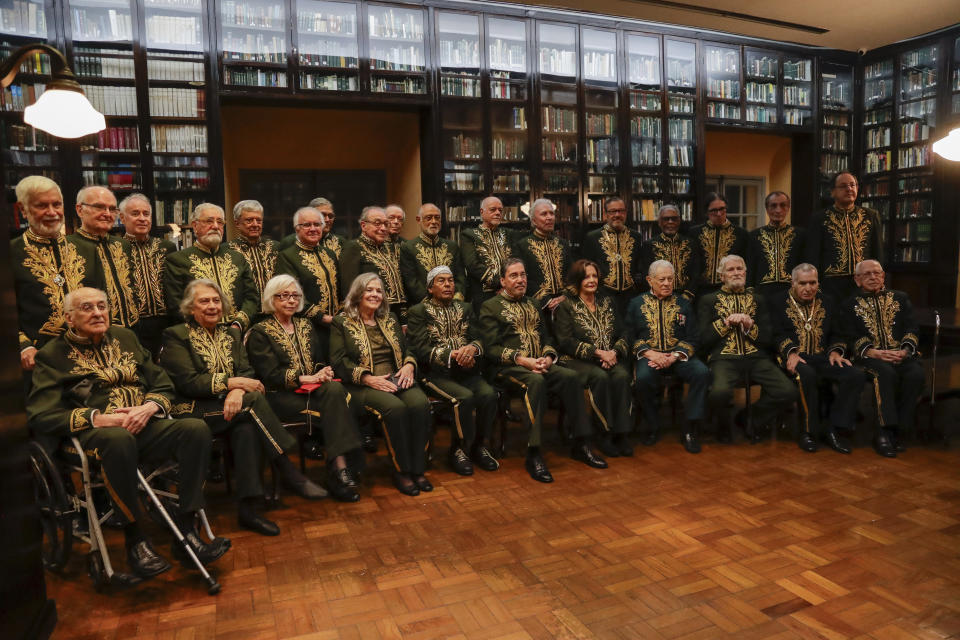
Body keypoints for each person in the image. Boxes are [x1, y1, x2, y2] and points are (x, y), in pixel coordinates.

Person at [27, 287, 229, 578]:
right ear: (69, 318)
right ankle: (135, 538)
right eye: (87, 308)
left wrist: (148, 407)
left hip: (144, 425)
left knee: (195, 428)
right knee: (118, 439)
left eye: (102, 306)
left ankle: (187, 530)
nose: (98, 313)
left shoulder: (126, 337)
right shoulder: (52, 355)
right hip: (93, 438)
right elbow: (41, 415)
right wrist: (99, 418)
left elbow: (162, 384)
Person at [160, 279, 327, 537]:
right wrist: (231, 383)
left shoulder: (230, 334)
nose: (212, 306)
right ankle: (288, 470)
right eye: (204, 301)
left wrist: (237, 389)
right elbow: (188, 382)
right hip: (193, 410)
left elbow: (246, 371)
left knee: (248, 428)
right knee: (254, 402)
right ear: (191, 307)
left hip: (235, 406)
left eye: (216, 301)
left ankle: (248, 511)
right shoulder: (176, 335)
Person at [479, 258, 606, 483]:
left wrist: (548, 357)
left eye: (523, 275)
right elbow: (490, 348)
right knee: (535, 382)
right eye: (514, 276)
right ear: (503, 281)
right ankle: (534, 453)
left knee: (571, 377)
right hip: (506, 369)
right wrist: (523, 360)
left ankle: (582, 443)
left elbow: (547, 337)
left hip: (538, 363)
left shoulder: (533, 303)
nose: (520, 280)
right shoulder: (490, 306)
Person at [246, 275, 363, 502]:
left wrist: (324, 372)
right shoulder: (260, 332)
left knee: (336, 392)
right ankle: (341, 471)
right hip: (280, 397)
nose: (290, 300)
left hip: (314, 392)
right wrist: (306, 378)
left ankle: (339, 469)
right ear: (272, 299)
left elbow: (318, 361)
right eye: (284, 296)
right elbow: (270, 375)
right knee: (338, 407)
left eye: (295, 296)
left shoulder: (305, 324)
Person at [329, 273, 432, 496]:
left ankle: (418, 468)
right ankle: (401, 471)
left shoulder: (390, 319)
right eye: (369, 290)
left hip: (397, 377)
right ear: (357, 293)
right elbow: (338, 361)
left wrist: (409, 365)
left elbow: (409, 349)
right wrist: (367, 378)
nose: (375, 294)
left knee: (420, 404)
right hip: (362, 385)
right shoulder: (342, 322)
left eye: (378, 290)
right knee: (395, 409)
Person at [406, 266, 499, 475]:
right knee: (464, 398)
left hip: (467, 371)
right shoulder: (418, 312)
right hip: (434, 375)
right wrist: (454, 355)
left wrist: (472, 349)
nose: (448, 285)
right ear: (430, 288)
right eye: (441, 281)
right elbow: (420, 349)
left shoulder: (465, 308)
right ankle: (458, 449)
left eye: (450, 280)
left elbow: (478, 337)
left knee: (488, 395)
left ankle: (479, 446)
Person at [697, 254, 796, 442]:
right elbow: (703, 339)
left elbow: (767, 338)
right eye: (730, 270)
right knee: (718, 393)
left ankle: (750, 418)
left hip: (756, 358)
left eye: (739, 269)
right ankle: (723, 426)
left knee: (787, 391)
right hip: (723, 358)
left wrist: (751, 327)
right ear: (721, 276)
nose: (736, 273)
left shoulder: (758, 299)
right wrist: (725, 324)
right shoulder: (708, 300)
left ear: (745, 272)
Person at [771, 263, 865, 454]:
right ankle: (808, 432)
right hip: (793, 357)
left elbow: (838, 332)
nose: (808, 288)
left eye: (813, 283)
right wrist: (790, 352)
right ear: (793, 282)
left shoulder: (828, 301)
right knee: (806, 375)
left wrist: (836, 351)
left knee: (855, 375)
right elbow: (775, 333)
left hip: (822, 356)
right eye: (803, 283)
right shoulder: (777, 301)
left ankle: (833, 428)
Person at [625, 260, 711, 453]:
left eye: (670, 279)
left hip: (678, 356)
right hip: (649, 356)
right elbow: (629, 336)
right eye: (661, 279)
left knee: (702, 373)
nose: (666, 283)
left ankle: (690, 427)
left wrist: (673, 356)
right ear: (649, 280)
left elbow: (693, 337)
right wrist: (649, 353)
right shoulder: (636, 303)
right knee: (643, 379)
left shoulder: (684, 303)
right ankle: (653, 425)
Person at [843, 259, 924, 457]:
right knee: (885, 374)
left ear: (883, 276)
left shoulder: (901, 298)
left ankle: (899, 430)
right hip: (869, 357)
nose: (873, 277)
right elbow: (848, 334)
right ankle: (883, 432)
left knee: (915, 374)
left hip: (900, 354)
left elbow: (912, 327)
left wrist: (905, 350)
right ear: (857, 279)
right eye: (867, 274)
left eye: (877, 273)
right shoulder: (849, 304)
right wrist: (873, 352)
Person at [552, 259, 633, 457]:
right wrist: (598, 353)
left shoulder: (607, 301)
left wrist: (613, 352)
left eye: (594, 276)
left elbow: (624, 331)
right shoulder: (566, 306)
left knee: (622, 375)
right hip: (576, 359)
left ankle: (621, 434)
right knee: (600, 377)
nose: (591, 280)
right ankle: (603, 433)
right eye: (586, 276)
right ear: (577, 279)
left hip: (609, 356)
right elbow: (565, 341)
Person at [10, 176, 86, 371]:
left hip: (88, 353)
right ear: (23, 209)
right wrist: (23, 347)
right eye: (42, 206)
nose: (52, 212)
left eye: (57, 204)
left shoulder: (84, 248)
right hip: (39, 360)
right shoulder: (11, 253)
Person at [163, 203, 259, 331]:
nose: (215, 226)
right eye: (209, 221)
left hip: (237, 332)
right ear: (195, 226)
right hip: (197, 335)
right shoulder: (177, 260)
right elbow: (176, 305)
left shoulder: (238, 258)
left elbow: (252, 298)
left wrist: (238, 324)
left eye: (220, 222)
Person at [68, 185, 140, 330]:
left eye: (112, 209)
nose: (107, 214)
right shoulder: (68, 246)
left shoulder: (123, 245)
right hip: (92, 332)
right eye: (100, 207)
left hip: (132, 329)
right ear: (80, 210)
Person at [806, 172, 884, 303]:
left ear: (857, 188)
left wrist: (878, 278)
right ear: (832, 192)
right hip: (831, 284)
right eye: (843, 186)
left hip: (864, 282)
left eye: (852, 185)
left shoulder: (870, 215)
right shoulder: (820, 218)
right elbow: (813, 254)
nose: (849, 189)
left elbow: (878, 250)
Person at [274, 207, 340, 349]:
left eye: (317, 224)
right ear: (297, 229)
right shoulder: (287, 256)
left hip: (336, 326)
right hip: (307, 327)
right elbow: (290, 295)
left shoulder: (330, 254)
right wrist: (322, 317)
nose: (313, 229)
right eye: (307, 225)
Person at [120, 193, 176, 356]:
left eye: (146, 213)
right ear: (122, 218)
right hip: (133, 325)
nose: (142, 218)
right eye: (135, 213)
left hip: (167, 322)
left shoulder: (166, 247)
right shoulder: (117, 248)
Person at [339, 206, 407, 321]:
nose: (383, 228)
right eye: (377, 223)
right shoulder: (354, 247)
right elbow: (349, 288)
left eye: (386, 224)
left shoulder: (389, 248)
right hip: (370, 314)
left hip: (397, 314)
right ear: (363, 226)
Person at [580, 197, 642, 314]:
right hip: (603, 296)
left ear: (626, 213)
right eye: (613, 211)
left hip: (630, 297)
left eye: (621, 211)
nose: (617, 215)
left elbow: (639, 266)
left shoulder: (636, 236)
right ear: (605, 214)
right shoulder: (593, 237)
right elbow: (585, 268)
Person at [399, 203, 466, 304]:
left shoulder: (452, 246)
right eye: (429, 218)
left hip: (453, 304)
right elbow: (411, 281)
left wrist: (456, 299)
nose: (433, 221)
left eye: (437, 218)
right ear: (419, 220)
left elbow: (460, 276)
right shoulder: (408, 247)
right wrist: (431, 304)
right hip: (423, 306)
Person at [512, 198, 571, 311]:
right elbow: (523, 277)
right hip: (537, 305)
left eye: (551, 213)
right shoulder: (522, 246)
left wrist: (565, 296)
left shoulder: (562, 243)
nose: (549, 217)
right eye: (544, 214)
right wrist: (546, 300)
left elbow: (572, 273)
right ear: (534, 221)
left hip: (564, 303)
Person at [747, 191, 804, 305]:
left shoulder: (800, 235)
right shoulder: (754, 236)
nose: (778, 210)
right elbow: (750, 266)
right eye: (773, 206)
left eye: (783, 205)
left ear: (788, 208)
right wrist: (750, 292)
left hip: (792, 293)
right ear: (767, 209)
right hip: (762, 294)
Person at [460, 196, 514, 311]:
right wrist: (501, 283)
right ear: (481, 212)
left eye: (500, 210)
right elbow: (472, 265)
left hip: (509, 294)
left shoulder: (508, 234)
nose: (497, 213)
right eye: (493, 209)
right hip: (483, 297)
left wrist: (509, 286)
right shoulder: (469, 235)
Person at [691, 193, 749, 294]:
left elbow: (747, 264)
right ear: (706, 212)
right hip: (700, 290)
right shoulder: (695, 233)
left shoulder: (741, 234)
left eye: (722, 209)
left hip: (730, 289)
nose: (718, 214)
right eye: (714, 210)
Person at [639, 204, 698, 301]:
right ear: (659, 222)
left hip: (686, 297)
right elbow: (646, 274)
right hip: (659, 297)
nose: (670, 222)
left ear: (679, 221)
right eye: (666, 219)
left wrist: (688, 294)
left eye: (674, 219)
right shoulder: (649, 245)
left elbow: (696, 272)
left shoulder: (691, 244)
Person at [228, 199, 278, 302]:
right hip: (243, 313)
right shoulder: (227, 250)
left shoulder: (276, 247)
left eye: (259, 220)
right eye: (249, 220)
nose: (255, 224)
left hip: (274, 311)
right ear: (237, 223)